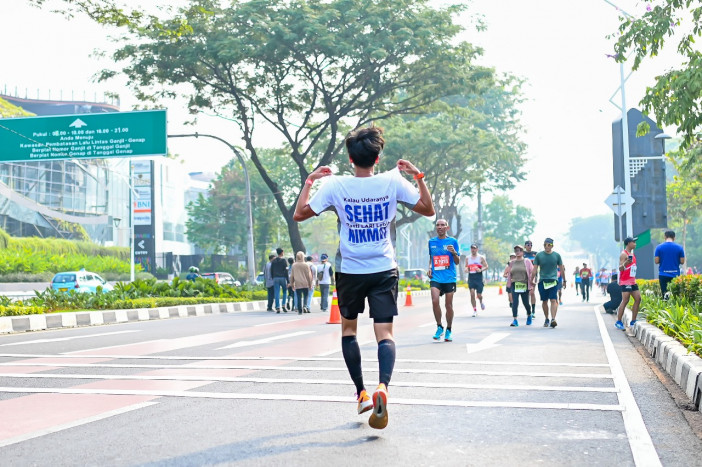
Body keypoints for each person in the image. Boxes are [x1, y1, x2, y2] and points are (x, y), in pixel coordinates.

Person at [293, 125, 434, 430]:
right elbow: (427, 209)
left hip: (350, 272)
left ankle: (361, 393)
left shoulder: (335, 185)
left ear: (349, 157)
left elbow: (300, 214)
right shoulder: (392, 181)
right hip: (384, 268)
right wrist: (418, 177)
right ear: (378, 157)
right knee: (385, 335)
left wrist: (309, 181)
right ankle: (383, 386)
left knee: (348, 332)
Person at [427, 219, 460, 342]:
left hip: (449, 278)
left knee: (448, 304)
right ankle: (439, 326)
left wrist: (454, 253)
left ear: (447, 228)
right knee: (435, 301)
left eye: (442, 225)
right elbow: (431, 258)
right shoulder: (431, 242)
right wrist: (430, 268)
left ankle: (449, 329)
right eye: (438, 225)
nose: (440, 227)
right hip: (436, 277)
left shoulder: (453, 241)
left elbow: (457, 262)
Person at [531, 237, 566, 328]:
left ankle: (553, 319)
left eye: (549, 244)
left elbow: (561, 269)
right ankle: (546, 318)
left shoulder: (557, 256)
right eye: (545, 244)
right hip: (543, 281)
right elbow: (535, 269)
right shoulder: (539, 255)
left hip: (554, 281)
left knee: (553, 300)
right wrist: (531, 280)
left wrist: (564, 280)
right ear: (543, 245)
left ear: (552, 246)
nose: (547, 246)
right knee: (544, 301)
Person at [504, 244, 535, 326]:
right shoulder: (511, 263)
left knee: (526, 303)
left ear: (522, 252)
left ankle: (529, 315)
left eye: (519, 250)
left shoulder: (527, 261)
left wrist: (532, 282)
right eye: (516, 251)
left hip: (524, 284)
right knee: (515, 302)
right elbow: (508, 272)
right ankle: (515, 320)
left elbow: (532, 272)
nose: (517, 252)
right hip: (515, 284)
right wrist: (507, 276)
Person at [615, 237, 641, 330]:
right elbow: (620, 268)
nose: (635, 244)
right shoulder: (623, 254)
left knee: (638, 299)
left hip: (632, 280)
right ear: (628, 243)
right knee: (625, 300)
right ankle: (618, 321)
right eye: (634, 242)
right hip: (625, 281)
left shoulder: (632, 254)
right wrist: (626, 262)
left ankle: (633, 320)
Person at [654, 230, 685, 297]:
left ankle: (666, 306)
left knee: (665, 295)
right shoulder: (679, 247)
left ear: (665, 237)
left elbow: (656, 261)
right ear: (674, 237)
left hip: (663, 274)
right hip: (675, 275)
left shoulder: (659, 247)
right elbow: (682, 261)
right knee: (675, 295)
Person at [465, 243, 489, 316]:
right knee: (472, 294)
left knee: (479, 295)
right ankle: (475, 310)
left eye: (474, 248)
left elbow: (486, 266)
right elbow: (466, 267)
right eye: (472, 248)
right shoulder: (467, 258)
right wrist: (466, 270)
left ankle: (481, 301)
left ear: (477, 249)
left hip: (478, 277)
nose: (473, 250)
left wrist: (481, 269)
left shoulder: (481, 257)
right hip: (471, 277)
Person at [270, 247, 289, 313]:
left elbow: (271, 270)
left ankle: (277, 307)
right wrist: (288, 281)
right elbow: (286, 271)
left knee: (277, 292)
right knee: (284, 291)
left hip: (275, 278)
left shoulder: (273, 261)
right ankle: (283, 304)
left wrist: (273, 277)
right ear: (281, 252)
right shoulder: (284, 261)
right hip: (282, 278)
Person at [522, 240, 538, 319]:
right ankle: (528, 310)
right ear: (525, 246)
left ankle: (533, 311)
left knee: (532, 293)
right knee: (526, 294)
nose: (529, 246)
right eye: (528, 244)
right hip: (523, 276)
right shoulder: (522, 254)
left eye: (531, 244)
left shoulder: (535, 254)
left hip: (533, 275)